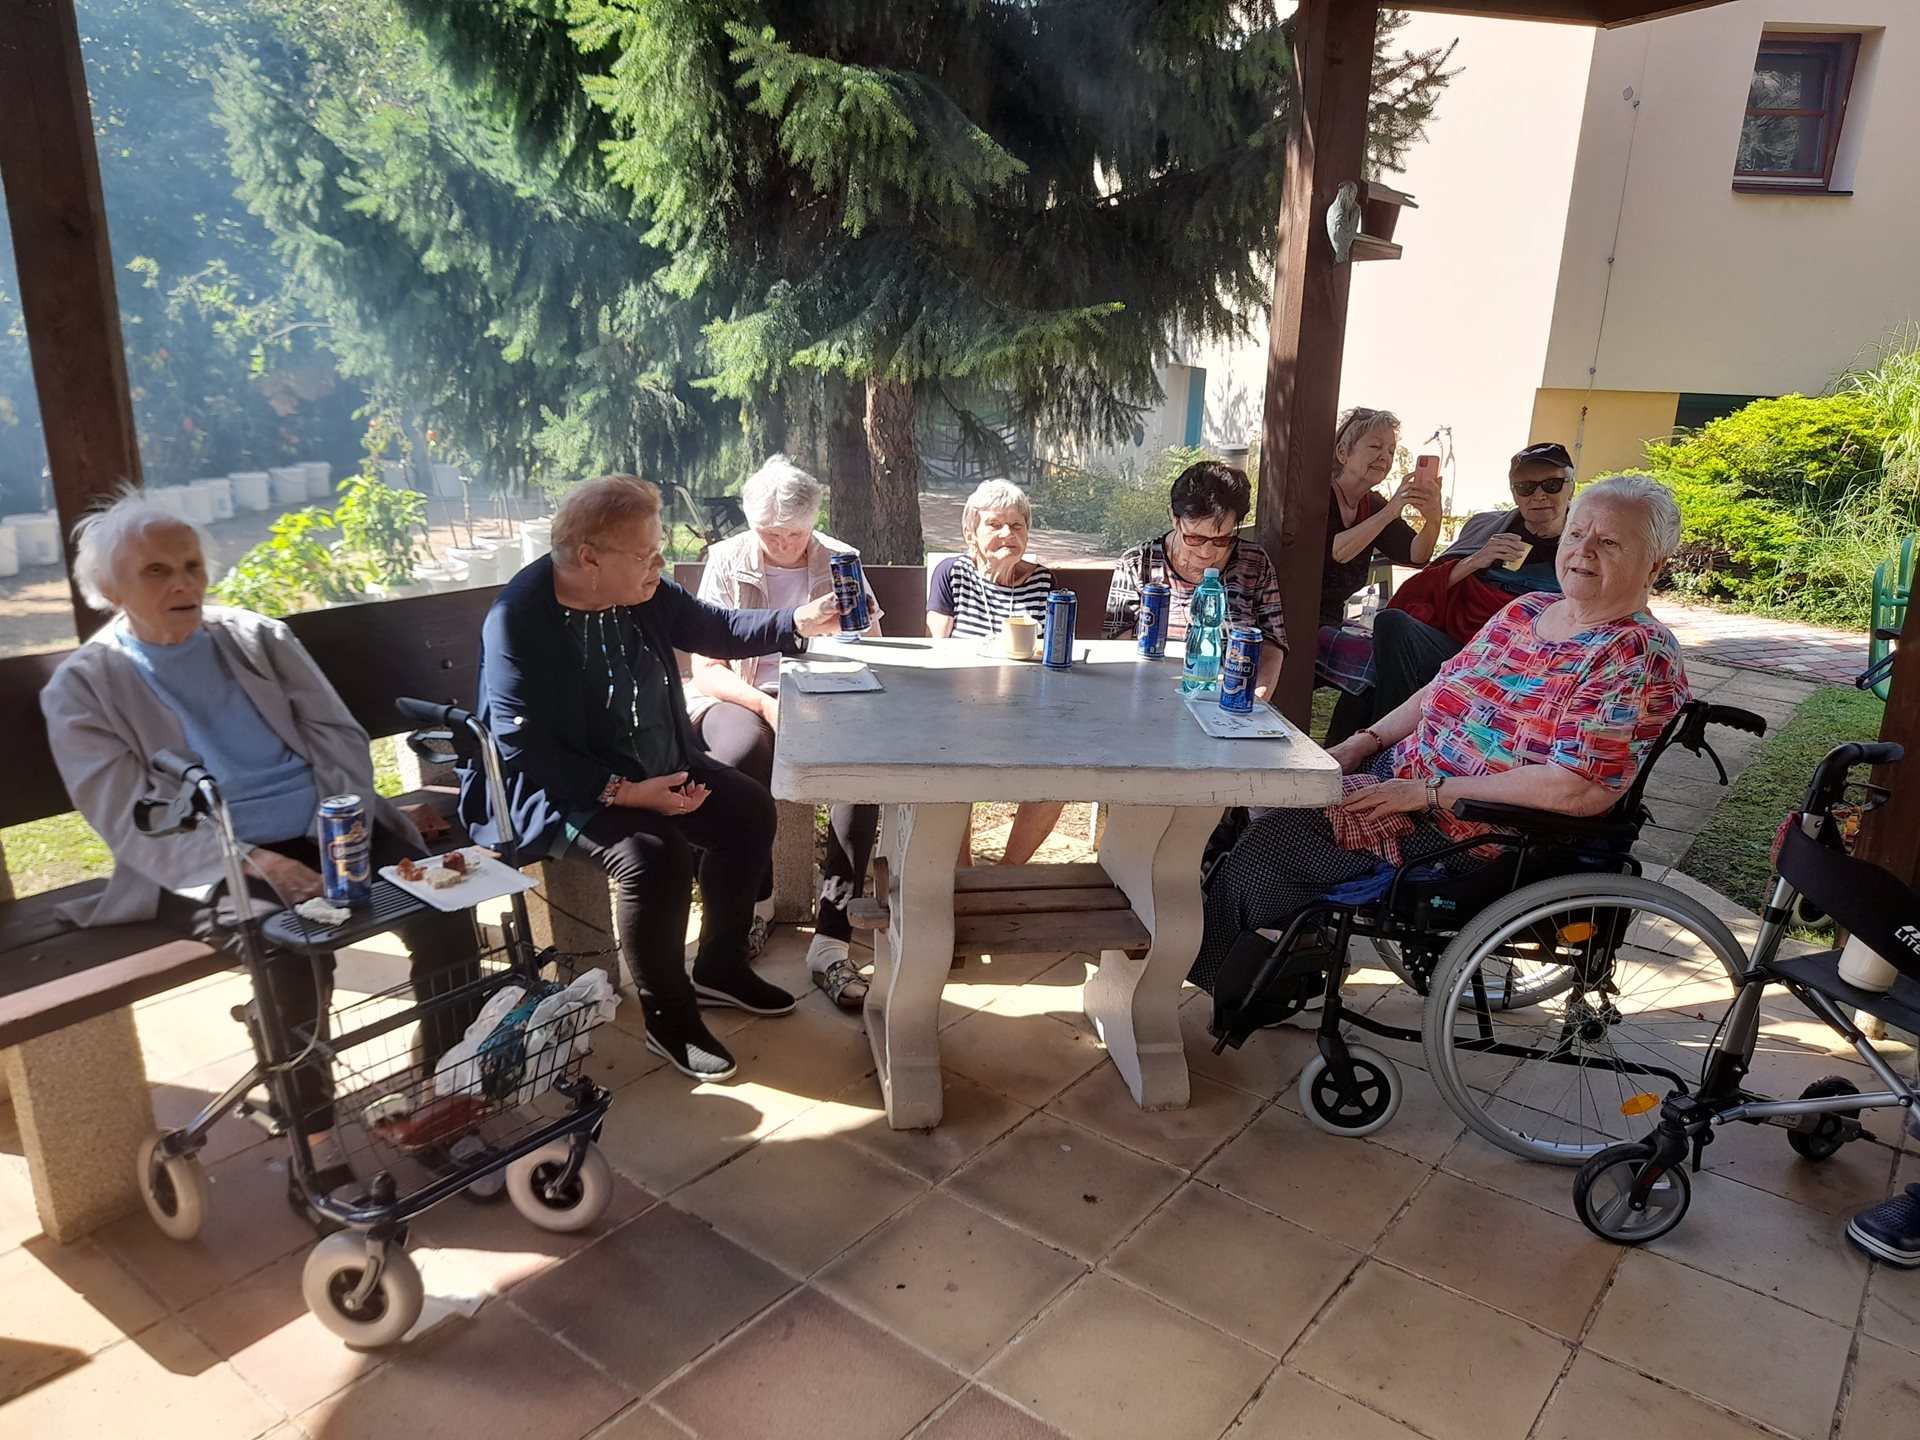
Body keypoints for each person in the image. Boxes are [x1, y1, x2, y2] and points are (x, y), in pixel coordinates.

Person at [41, 489, 481, 1221]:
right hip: (211, 860)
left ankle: (438, 1100)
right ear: (110, 590)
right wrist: (260, 860)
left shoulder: (255, 636)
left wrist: (332, 823)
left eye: (191, 565)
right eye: (157, 571)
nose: (183, 583)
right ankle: (315, 1148)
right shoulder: (83, 688)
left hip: (329, 821)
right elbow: (129, 820)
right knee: (291, 956)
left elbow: (337, 734)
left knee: (444, 914)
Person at [1193, 474, 1690, 993]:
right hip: (1407, 780)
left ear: (1654, 564)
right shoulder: (1527, 611)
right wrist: (1361, 743)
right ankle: (1277, 953)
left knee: (1271, 845)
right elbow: (1440, 689)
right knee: (1251, 796)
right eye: (1577, 534)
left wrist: (1428, 793)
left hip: (1469, 826)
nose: (1583, 552)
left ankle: (1240, 983)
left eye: (1609, 542)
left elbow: (1579, 788)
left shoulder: (1636, 653)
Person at [460, 476, 843, 1081]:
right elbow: (521, 745)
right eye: (646, 554)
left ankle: (719, 967)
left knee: (746, 811)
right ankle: (670, 1018)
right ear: (589, 559)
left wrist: (799, 619)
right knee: (653, 854)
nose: (660, 565)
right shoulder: (520, 618)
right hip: (559, 788)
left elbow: (716, 627)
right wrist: (627, 793)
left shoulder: (641, 590)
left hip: (652, 760)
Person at [688, 455, 882, 1010]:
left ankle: (832, 939)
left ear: (813, 521)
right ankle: (756, 904)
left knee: (860, 767)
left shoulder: (840, 558)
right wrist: (764, 706)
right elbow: (707, 667)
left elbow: (870, 650)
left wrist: (860, 625)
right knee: (740, 753)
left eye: (794, 534)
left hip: (825, 693)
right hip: (742, 691)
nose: (781, 544)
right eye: (768, 533)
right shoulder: (727, 560)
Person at [1325, 441, 1576, 743]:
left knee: (1373, 680)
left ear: (1570, 487)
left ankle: (1368, 747)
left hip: (1530, 662)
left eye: (1551, 485)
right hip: (1463, 647)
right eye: (1526, 487)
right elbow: (1416, 592)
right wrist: (1476, 560)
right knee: (1391, 624)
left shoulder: (1586, 546)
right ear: (1514, 493)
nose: (1539, 496)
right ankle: (1372, 747)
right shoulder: (1487, 529)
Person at [927, 478, 1066, 865]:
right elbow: (938, 650)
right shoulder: (951, 573)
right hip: (961, 709)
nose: (1008, 534)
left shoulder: (1043, 581)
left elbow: (1052, 653)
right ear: (970, 533)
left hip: (1028, 711)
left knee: (1060, 772)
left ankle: (1007, 872)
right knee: (949, 769)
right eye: (995, 524)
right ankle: (962, 872)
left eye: (1017, 525)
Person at [1105, 459, 1287, 703]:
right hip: (1147, 697)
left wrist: (1252, 702)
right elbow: (1117, 646)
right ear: (1174, 518)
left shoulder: (1253, 563)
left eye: (1222, 539)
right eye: (1194, 538)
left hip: (1230, 700)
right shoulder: (1138, 564)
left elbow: (1272, 645)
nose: (1206, 552)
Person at [1315, 407, 1441, 735]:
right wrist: (1390, 512)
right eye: (1375, 446)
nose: (1385, 457)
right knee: (1374, 665)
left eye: (1391, 450)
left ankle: (1344, 751)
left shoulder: (1372, 504)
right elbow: (1337, 551)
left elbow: (1416, 555)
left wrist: (1433, 518)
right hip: (1294, 624)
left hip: (1330, 623)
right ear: (1343, 452)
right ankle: (1345, 752)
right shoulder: (1318, 495)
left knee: (1383, 661)